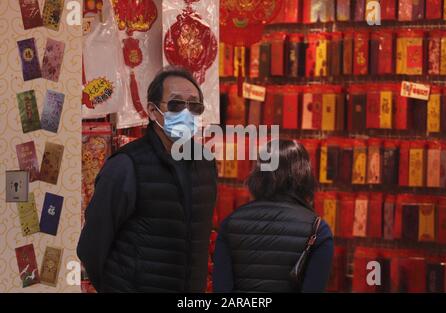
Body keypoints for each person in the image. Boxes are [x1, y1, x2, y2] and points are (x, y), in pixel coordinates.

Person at [77, 66, 217, 292]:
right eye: (176, 104)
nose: (186, 112)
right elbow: (91, 246)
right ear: (152, 111)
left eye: (194, 106)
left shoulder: (205, 164)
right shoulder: (126, 165)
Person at [212, 139, 333, 293]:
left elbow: (222, 288)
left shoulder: (230, 224)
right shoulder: (318, 231)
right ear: (305, 176)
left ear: (258, 175)